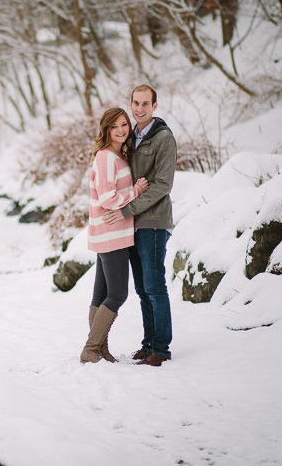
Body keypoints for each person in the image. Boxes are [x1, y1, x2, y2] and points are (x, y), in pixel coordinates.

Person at [102, 84, 177, 367]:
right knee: (143, 289)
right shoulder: (131, 137)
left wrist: (127, 209)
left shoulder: (163, 138)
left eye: (146, 104)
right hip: (132, 223)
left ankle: (161, 349)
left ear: (154, 106)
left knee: (155, 286)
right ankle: (148, 344)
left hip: (153, 222)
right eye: (136, 103)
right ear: (130, 104)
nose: (140, 108)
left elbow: (162, 185)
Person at [81, 107, 148, 364]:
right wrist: (135, 191)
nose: (121, 130)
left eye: (124, 124)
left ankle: (98, 349)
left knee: (102, 293)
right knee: (118, 293)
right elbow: (108, 198)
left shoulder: (116, 156)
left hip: (110, 233)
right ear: (106, 129)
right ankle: (91, 347)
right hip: (112, 233)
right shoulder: (106, 157)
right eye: (114, 126)